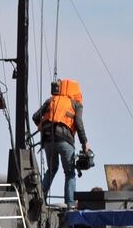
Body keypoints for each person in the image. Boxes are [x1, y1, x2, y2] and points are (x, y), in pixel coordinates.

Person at [32, 79, 90, 208]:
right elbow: (78, 124)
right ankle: (69, 204)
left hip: (48, 140)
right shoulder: (76, 104)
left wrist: (41, 125)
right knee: (69, 172)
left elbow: (35, 117)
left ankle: (40, 198)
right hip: (65, 140)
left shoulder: (51, 100)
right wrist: (84, 143)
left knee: (51, 170)